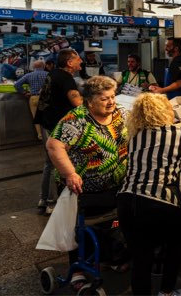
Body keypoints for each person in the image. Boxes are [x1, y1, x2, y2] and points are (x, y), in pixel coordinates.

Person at [118, 93, 181, 296]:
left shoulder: (134, 136)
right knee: (175, 247)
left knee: (141, 258)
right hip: (158, 202)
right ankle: (167, 292)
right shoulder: (176, 133)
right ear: (162, 111)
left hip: (126, 201)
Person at [46, 75, 130, 291]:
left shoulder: (119, 112)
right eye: (104, 99)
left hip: (114, 184)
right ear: (90, 101)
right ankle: (78, 270)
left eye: (112, 96)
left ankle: (109, 258)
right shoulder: (76, 119)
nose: (111, 102)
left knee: (109, 224)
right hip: (81, 188)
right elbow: (54, 145)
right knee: (79, 228)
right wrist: (70, 173)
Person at [35, 49, 83, 215]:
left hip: (45, 121)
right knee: (57, 163)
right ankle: (51, 203)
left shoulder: (54, 73)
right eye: (78, 60)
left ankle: (43, 199)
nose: (81, 62)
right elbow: (77, 102)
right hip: (55, 125)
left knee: (49, 163)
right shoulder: (66, 78)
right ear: (70, 63)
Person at [13, 60, 49, 139]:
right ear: (43, 66)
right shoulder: (48, 75)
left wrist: (24, 92)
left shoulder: (29, 75)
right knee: (47, 117)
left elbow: (16, 85)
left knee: (36, 118)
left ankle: (40, 135)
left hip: (34, 98)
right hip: (45, 98)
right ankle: (48, 135)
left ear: (33, 67)